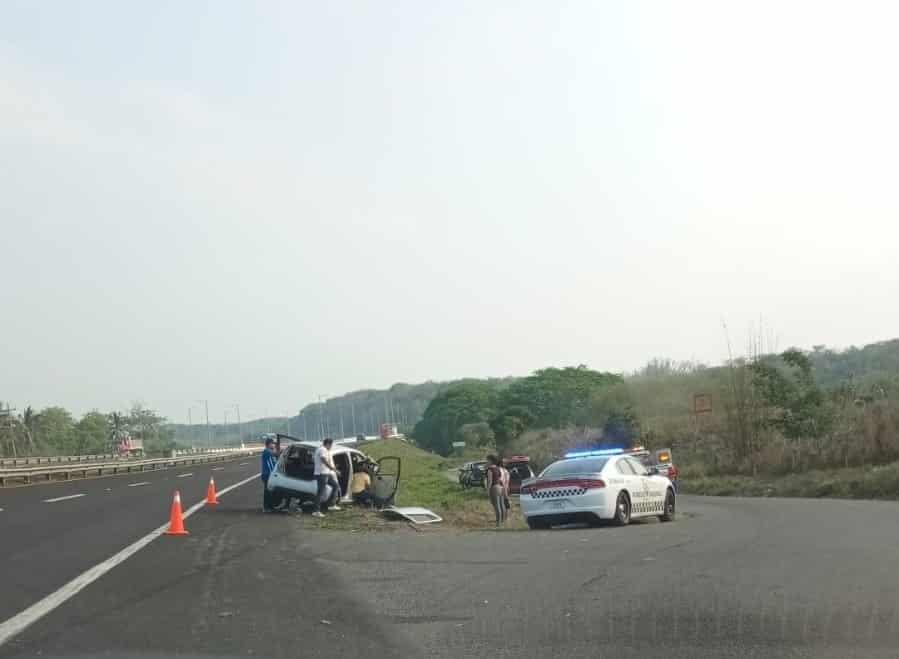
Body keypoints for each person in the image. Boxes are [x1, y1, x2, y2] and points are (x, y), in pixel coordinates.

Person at [312, 438, 342, 518]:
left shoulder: (322, 450)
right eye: (331, 445)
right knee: (320, 492)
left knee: (335, 486)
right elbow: (323, 459)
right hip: (322, 474)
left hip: (326, 473)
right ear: (328, 444)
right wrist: (334, 469)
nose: (331, 447)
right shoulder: (322, 449)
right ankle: (316, 511)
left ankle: (331, 505)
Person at [485, 454, 507, 527]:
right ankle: (503, 520)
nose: (486, 462)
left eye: (487, 460)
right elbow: (500, 479)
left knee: (496, 506)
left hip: (494, 488)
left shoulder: (490, 470)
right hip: (500, 487)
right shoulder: (498, 468)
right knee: (502, 505)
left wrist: (487, 491)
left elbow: (490, 481)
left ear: (491, 461)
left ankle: (498, 523)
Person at [260, 437, 279, 513]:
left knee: (270, 491)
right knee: (267, 492)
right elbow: (275, 454)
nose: (274, 445)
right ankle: (266, 507)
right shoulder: (267, 451)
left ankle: (271, 507)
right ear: (269, 444)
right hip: (267, 474)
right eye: (273, 443)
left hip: (270, 474)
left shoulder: (269, 451)